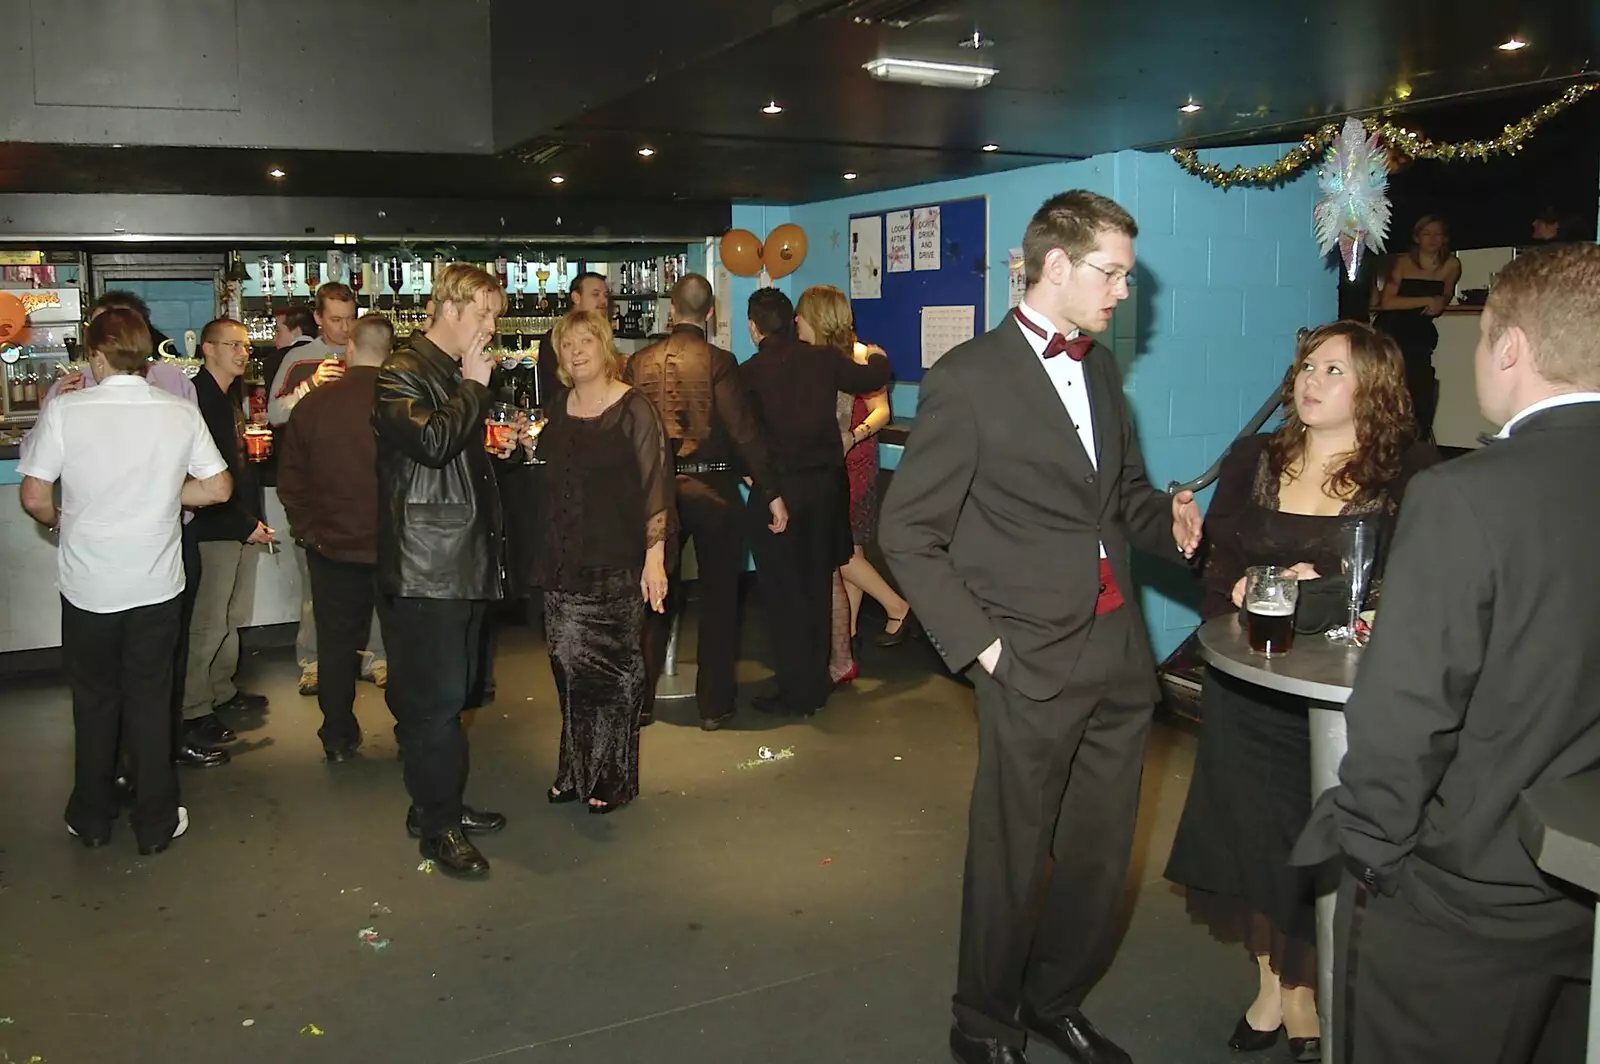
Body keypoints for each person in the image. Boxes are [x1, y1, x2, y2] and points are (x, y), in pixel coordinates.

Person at [879, 190, 1203, 1064]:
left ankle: (1051, 999)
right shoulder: (968, 379)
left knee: (1100, 863)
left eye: (1128, 277)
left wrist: (1163, 515)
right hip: (1025, 657)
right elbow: (907, 530)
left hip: (1117, 657)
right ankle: (982, 1023)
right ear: (1054, 265)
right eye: (1112, 273)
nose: (1123, 292)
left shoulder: (1099, 368)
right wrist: (983, 647)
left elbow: (1118, 498)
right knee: (1013, 858)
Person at [1291, 242, 1600, 1063]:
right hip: (1583, 886)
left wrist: (1372, 854)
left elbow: (1407, 714)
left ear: (1509, 348)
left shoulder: (1465, 495)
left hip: (1463, 898)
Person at [1163, 321, 1437, 1063]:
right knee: (1253, 842)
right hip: (1250, 683)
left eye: (1333, 371)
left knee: (1318, 842)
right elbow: (1214, 571)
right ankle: (1273, 987)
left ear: (1373, 389)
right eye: (1307, 367)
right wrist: (1236, 578)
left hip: (1341, 695)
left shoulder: (1407, 474)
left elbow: (1408, 581)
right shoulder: (1255, 457)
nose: (1309, 382)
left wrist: (1334, 588)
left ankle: (1307, 989)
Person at [17, 308, 233, 854]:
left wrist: (60, 521)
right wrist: (162, 493)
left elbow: (35, 496)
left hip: (87, 587)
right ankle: (156, 821)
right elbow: (218, 489)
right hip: (156, 584)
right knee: (150, 701)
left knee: (93, 702)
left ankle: (90, 817)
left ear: (95, 354)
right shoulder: (177, 412)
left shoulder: (68, 411)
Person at [373, 263, 511, 877]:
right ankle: (438, 827)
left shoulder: (445, 375)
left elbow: (446, 456)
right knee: (435, 703)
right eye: (484, 313)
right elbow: (431, 443)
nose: (492, 326)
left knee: (448, 698)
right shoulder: (402, 373)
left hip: (456, 561)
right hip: (429, 566)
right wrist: (477, 389)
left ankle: (436, 803)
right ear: (451, 308)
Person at [624, 273, 787, 731]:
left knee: (653, 596)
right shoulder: (720, 361)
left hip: (657, 493)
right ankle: (714, 705)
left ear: (671, 310)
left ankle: (640, 701)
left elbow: (630, 433)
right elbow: (742, 430)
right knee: (719, 600)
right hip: (714, 491)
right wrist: (770, 490)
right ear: (711, 313)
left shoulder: (639, 362)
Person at [532, 309, 672, 812]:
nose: (576, 351)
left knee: (614, 672)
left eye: (586, 341)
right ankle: (574, 769)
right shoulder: (556, 408)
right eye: (567, 345)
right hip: (563, 559)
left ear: (605, 345)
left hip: (617, 561)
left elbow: (657, 486)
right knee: (566, 667)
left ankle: (613, 776)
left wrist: (654, 558)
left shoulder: (634, 409)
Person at [740, 288, 890, 718]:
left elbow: (744, 439)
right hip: (826, 491)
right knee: (818, 588)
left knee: (783, 596)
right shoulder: (822, 360)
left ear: (753, 327)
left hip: (779, 497)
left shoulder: (750, 373)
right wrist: (877, 356)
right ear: (791, 322)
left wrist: (763, 488)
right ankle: (817, 684)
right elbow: (870, 378)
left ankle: (794, 688)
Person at [278, 314, 394, 762]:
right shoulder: (403, 403)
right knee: (402, 644)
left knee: (336, 644)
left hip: (331, 546)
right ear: (390, 354)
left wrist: (306, 530)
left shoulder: (315, 404)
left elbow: (292, 479)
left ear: (349, 349)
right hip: (393, 548)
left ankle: (338, 734)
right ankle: (409, 727)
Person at [266, 282, 385, 697]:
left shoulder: (375, 360)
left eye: (350, 318)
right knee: (315, 589)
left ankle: (377, 658)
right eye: (335, 319)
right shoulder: (298, 359)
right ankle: (313, 662)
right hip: (319, 493)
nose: (344, 327)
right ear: (317, 319)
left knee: (378, 583)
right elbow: (272, 413)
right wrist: (312, 386)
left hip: (364, 490)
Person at [793, 286, 913, 689]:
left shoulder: (861, 356)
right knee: (849, 551)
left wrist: (854, 435)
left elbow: (883, 412)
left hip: (855, 462)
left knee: (840, 550)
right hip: (829, 462)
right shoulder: (811, 361)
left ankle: (895, 606)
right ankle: (848, 636)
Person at [181, 318, 276, 752]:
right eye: (232, 345)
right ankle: (193, 709)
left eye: (245, 346)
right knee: (209, 622)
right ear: (207, 349)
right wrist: (246, 523)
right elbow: (202, 478)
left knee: (231, 617)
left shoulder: (227, 399)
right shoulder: (197, 399)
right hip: (213, 528)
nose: (242, 353)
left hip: (237, 521)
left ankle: (221, 689)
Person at [1372, 214, 1461, 442]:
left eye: (1438, 234)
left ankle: (1416, 442)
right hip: (1391, 329)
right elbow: (1386, 303)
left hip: (1420, 333)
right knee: (1389, 386)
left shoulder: (1452, 264)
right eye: (1426, 234)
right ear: (1416, 237)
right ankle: (1383, 440)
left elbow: (1445, 296)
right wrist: (1427, 300)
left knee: (1420, 389)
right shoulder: (1403, 262)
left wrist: (1438, 301)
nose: (1432, 239)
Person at [536, 271, 610, 405]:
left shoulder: (603, 334)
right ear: (576, 297)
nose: (603, 301)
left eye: (605, 295)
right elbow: (554, 390)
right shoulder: (556, 338)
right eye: (595, 294)